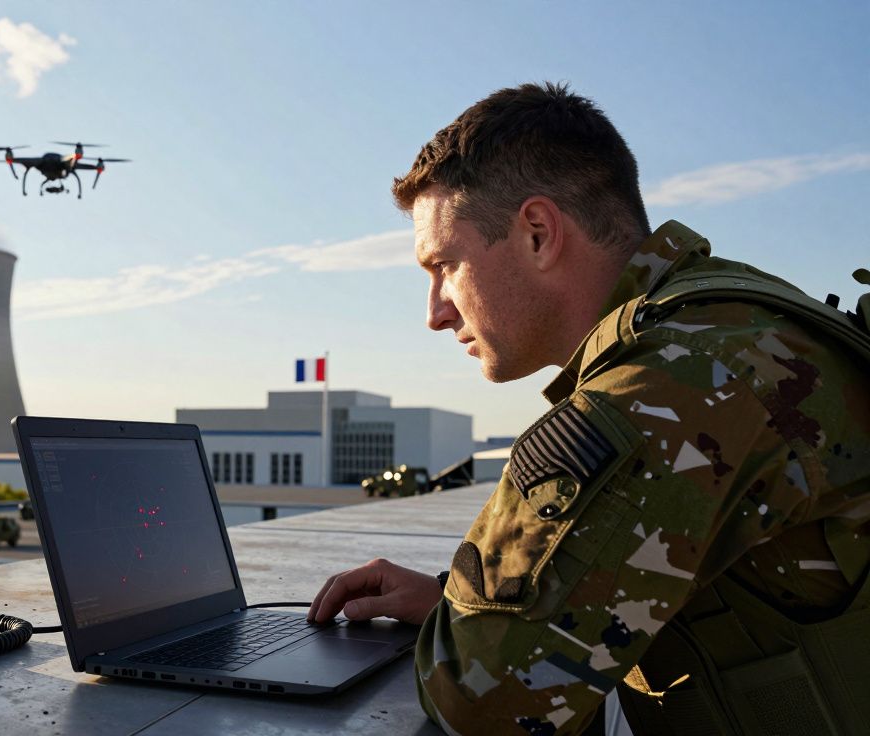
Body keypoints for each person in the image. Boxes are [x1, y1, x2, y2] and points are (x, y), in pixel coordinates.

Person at [307, 82, 870, 735]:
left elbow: (483, 700)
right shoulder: (732, 322)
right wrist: (448, 602)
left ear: (539, 234)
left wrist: (462, 621)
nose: (434, 312)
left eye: (446, 265)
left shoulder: (673, 389)